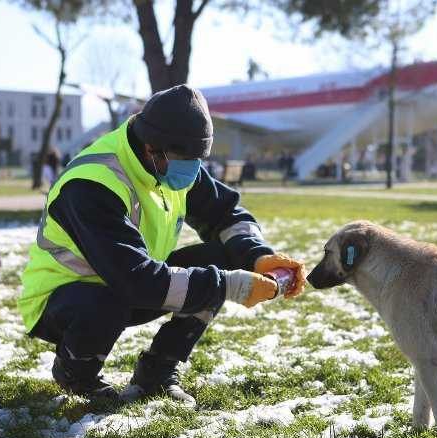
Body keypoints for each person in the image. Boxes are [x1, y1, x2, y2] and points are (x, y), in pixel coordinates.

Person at [18, 84, 306, 404]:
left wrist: (257, 256)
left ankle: (157, 371)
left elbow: (227, 214)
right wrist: (228, 286)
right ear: (151, 148)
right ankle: (76, 371)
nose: (193, 169)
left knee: (221, 258)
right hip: (63, 298)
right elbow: (135, 280)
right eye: (187, 158)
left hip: (132, 283)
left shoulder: (174, 160)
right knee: (111, 299)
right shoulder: (92, 183)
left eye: (198, 158)